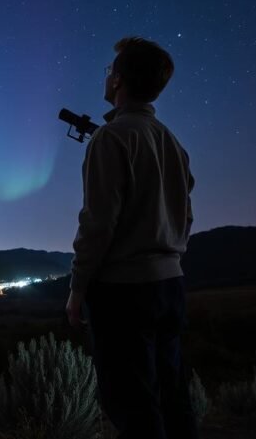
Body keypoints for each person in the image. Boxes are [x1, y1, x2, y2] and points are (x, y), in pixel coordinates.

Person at [64, 36, 198, 439]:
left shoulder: (112, 139)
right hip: (170, 285)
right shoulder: (172, 141)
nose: (107, 78)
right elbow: (185, 216)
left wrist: (77, 288)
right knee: (172, 395)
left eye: (110, 72)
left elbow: (97, 224)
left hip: (124, 292)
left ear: (118, 82)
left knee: (131, 403)